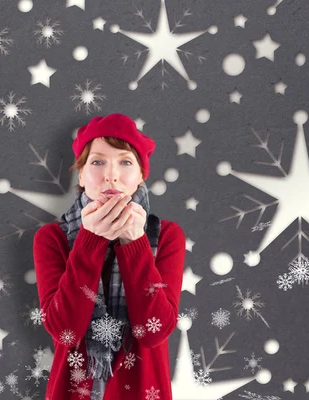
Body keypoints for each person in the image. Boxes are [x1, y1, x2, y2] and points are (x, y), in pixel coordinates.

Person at [33, 113, 186, 400]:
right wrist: (89, 241)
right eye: (98, 161)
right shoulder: (52, 238)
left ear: (141, 175)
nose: (110, 174)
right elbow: (64, 331)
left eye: (125, 162)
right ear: (81, 174)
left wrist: (135, 242)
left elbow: (153, 332)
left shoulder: (166, 236)